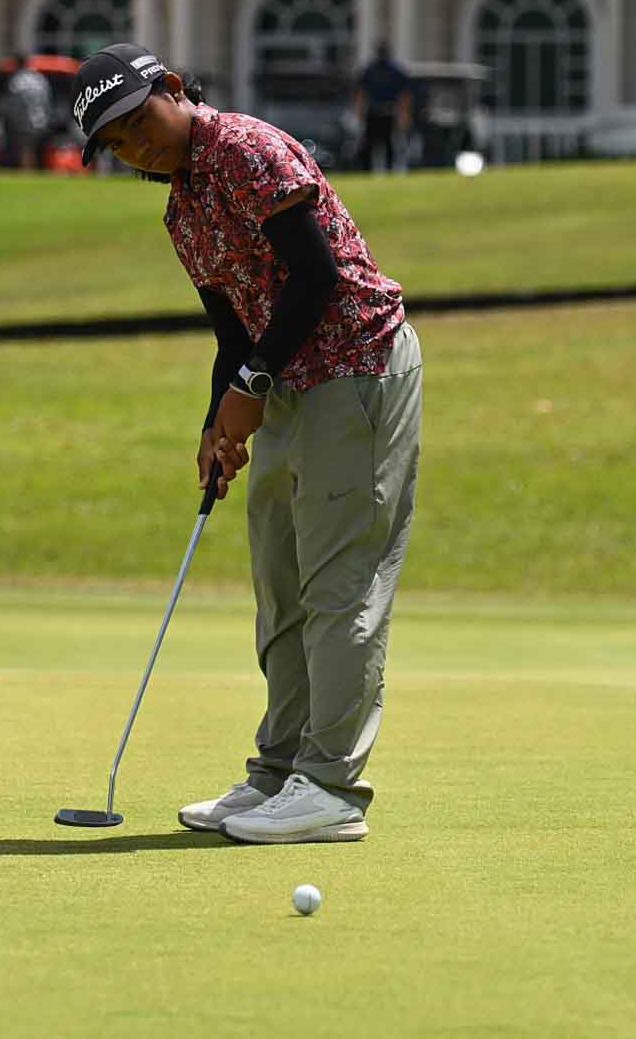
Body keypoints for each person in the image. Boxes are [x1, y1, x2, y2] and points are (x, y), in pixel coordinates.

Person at [71, 41, 422, 845]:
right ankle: (279, 772)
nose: (136, 147)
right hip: (288, 381)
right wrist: (215, 423)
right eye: (117, 144)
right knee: (281, 584)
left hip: (357, 368)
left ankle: (330, 785)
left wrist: (250, 385)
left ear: (172, 88)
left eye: (138, 122)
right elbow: (232, 332)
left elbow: (316, 277)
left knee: (338, 585)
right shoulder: (181, 210)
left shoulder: (244, 148)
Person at [351, 41, 412, 173]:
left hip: (388, 112)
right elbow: (361, 93)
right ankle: (368, 171)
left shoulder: (395, 71)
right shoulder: (370, 70)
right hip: (373, 112)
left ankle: (388, 170)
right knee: (369, 145)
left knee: (388, 145)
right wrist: (358, 113)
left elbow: (403, 96)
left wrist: (403, 116)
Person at [0, 53, 54, 170]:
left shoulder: (18, 80)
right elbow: (47, 99)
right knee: (34, 149)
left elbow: (15, 103)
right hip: (41, 120)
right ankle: (34, 169)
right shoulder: (39, 78)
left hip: (24, 121)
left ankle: (27, 171)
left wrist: (10, 120)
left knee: (25, 149)